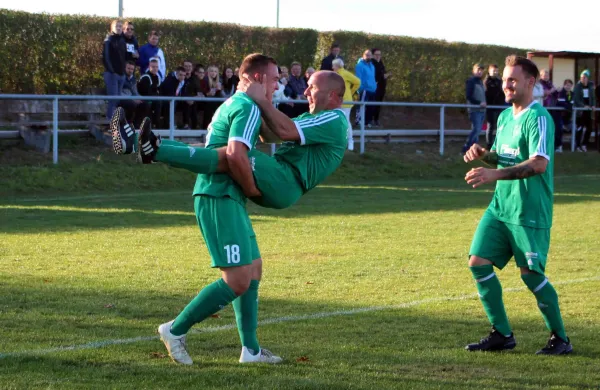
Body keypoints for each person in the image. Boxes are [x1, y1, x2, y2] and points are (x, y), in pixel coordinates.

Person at [111, 57, 348, 365]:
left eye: (311, 87)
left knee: (231, 157)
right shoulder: (253, 107)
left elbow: (282, 130)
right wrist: (258, 101)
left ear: (332, 96)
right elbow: (272, 132)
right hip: (252, 186)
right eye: (276, 79)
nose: (303, 91)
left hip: (283, 180)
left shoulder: (333, 119)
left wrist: (260, 100)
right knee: (251, 270)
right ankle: (250, 350)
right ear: (260, 77)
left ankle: (149, 147)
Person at [463, 55, 571, 355]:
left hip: (528, 210)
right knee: (478, 263)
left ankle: (561, 339)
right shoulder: (505, 116)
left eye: (513, 80)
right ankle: (502, 334)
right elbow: (504, 157)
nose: (507, 85)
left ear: (530, 82)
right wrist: (484, 156)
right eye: (506, 79)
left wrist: (493, 173)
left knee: (531, 275)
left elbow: (537, 164)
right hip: (501, 208)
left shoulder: (539, 118)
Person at [333, 58, 360, 150]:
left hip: (345, 101)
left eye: (333, 66)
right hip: (336, 101)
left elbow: (357, 82)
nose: (332, 67)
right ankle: (339, 142)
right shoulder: (334, 74)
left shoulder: (345, 73)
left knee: (346, 121)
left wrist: (351, 92)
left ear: (337, 66)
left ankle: (350, 142)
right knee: (337, 121)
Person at [102, 19, 127, 120]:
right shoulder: (109, 40)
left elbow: (124, 57)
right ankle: (109, 121)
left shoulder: (122, 40)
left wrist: (123, 72)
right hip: (112, 74)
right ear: (112, 28)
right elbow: (106, 57)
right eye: (117, 26)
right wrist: (112, 71)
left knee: (117, 100)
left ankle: (114, 121)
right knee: (113, 99)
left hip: (121, 74)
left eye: (120, 26)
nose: (119, 28)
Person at [462, 63, 487, 154]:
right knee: (476, 129)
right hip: (474, 109)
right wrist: (479, 103)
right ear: (473, 71)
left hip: (482, 110)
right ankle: (466, 147)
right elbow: (468, 96)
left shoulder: (481, 82)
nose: (480, 72)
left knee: (478, 130)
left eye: (481, 70)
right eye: (478, 70)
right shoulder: (471, 81)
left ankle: (473, 150)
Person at [573, 70, 596, 152]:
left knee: (589, 128)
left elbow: (593, 97)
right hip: (580, 111)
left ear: (587, 78)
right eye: (582, 77)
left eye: (585, 77)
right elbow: (576, 99)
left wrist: (593, 104)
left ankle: (584, 144)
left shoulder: (591, 86)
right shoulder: (577, 86)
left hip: (588, 111)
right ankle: (577, 145)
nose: (583, 79)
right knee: (580, 128)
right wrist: (583, 106)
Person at [354, 50, 377, 127]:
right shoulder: (359, 65)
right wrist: (361, 89)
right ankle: (358, 121)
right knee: (362, 106)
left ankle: (367, 122)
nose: (368, 57)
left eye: (370, 55)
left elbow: (372, 77)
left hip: (372, 90)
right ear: (363, 55)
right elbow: (358, 78)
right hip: (364, 90)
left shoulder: (372, 66)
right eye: (367, 55)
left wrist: (374, 86)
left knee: (371, 107)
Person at [137, 58, 162, 128]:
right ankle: (154, 125)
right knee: (155, 103)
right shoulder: (145, 77)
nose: (155, 69)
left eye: (156, 67)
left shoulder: (157, 78)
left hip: (153, 100)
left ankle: (158, 124)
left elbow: (158, 90)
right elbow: (146, 92)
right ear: (149, 67)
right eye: (153, 67)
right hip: (142, 99)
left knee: (161, 102)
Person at [484, 64, 504, 149]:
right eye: (493, 70)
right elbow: (486, 93)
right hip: (490, 106)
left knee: (499, 125)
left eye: (496, 70)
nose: (495, 72)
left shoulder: (499, 81)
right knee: (490, 126)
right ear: (489, 71)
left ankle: (498, 144)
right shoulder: (486, 81)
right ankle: (489, 145)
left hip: (498, 106)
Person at [118, 61, 143, 126]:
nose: (130, 71)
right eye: (128, 68)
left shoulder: (133, 79)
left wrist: (141, 98)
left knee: (144, 104)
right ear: (125, 68)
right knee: (131, 104)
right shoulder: (120, 77)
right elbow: (119, 92)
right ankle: (127, 124)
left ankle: (137, 125)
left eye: (132, 69)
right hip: (122, 98)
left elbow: (135, 92)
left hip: (131, 98)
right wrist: (132, 99)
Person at [371, 48, 389, 128]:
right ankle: (371, 120)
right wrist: (383, 76)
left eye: (379, 54)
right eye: (376, 54)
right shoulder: (372, 63)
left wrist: (386, 75)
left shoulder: (381, 62)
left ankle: (376, 119)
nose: (378, 56)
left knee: (379, 104)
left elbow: (383, 72)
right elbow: (374, 75)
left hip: (382, 87)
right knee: (373, 104)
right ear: (373, 55)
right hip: (375, 87)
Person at [555, 79, 574, 152]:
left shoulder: (572, 93)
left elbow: (572, 103)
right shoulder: (560, 93)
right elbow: (561, 103)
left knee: (574, 128)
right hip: (559, 115)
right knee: (559, 129)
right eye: (567, 85)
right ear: (564, 85)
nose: (568, 87)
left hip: (568, 116)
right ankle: (558, 146)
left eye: (570, 85)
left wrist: (568, 105)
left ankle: (574, 146)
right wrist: (569, 105)